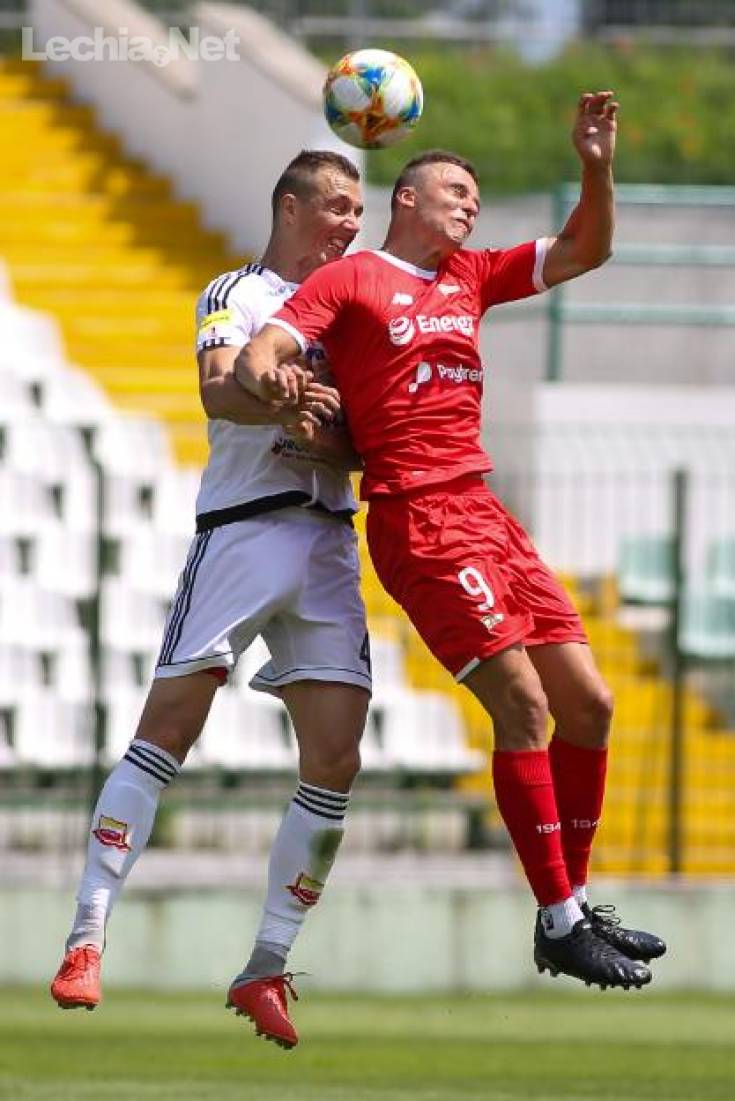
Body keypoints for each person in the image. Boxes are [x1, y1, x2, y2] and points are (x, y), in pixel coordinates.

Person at [234, 93, 667, 990]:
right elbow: (266, 347)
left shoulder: (470, 275)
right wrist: (266, 375)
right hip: (420, 519)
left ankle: (573, 906)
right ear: (407, 198)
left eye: (474, 195)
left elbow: (585, 249)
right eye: (454, 192)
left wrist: (595, 166)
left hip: (486, 512)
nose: (470, 205)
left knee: (590, 704)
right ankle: (558, 919)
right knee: (523, 704)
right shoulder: (352, 279)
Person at [50, 150, 370, 1048]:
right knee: (169, 730)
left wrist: (330, 434)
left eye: (358, 210)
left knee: (337, 758)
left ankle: (265, 964)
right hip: (243, 529)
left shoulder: (352, 309)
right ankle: (87, 934)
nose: (351, 223)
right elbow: (217, 388)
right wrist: (279, 400)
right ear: (289, 207)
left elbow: (365, 438)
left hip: (328, 542)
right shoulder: (238, 291)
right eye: (337, 206)